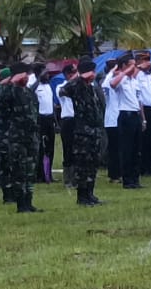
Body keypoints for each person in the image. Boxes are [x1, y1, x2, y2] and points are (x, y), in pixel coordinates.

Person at [0, 64, 42, 212]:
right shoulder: (9, 92)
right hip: (17, 138)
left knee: (30, 172)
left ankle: (29, 201)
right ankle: (21, 204)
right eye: (23, 75)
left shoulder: (29, 93)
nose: (25, 77)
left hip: (31, 137)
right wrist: (11, 82)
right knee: (19, 171)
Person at [61, 60, 106, 206]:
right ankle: (82, 197)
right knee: (82, 165)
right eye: (91, 71)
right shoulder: (76, 87)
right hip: (83, 133)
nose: (94, 74)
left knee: (93, 164)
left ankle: (90, 193)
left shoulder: (91, 88)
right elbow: (64, 90)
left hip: (95, 132)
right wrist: (80, 77)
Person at [104, 54, 143, 189]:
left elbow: (139, 101)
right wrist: (124, 72)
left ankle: (135, 178)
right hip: (125, 115)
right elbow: (112, 84)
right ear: (124, 66)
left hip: (136, 115)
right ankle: (127, 180)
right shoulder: (121, 79)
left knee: (137, 150)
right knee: (127, 149)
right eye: (131, 64)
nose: (135, 67)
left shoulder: (135, 80)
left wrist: (143, 118)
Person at [33, 63, 57, 183]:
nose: (47, 75)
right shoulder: (35, 86)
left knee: (50, 147)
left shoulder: (48, 86)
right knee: (40, 149)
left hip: (49, 119)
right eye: (45, 73)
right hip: (40, 119)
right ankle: (40, 174)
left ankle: (48, 173)